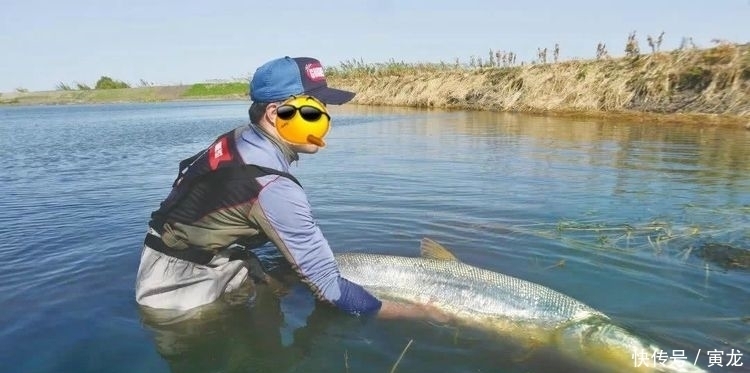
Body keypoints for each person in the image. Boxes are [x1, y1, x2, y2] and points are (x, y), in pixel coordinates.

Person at [135, 56, 446, 321]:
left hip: (181, 255)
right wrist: (419, 313)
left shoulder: (240, 138)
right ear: (274, 113)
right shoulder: (272, 186)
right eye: (314, 110)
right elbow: (330, 289)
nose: (325, 119)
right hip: (180, 295)